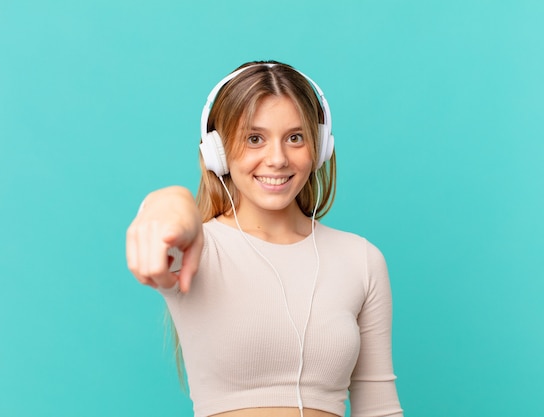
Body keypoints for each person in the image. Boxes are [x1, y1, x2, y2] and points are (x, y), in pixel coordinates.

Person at [126, 61, 403, 417]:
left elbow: (378, 408)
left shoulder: (360, 259)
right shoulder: (197, 250)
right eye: (254, 139)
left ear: (319, 149)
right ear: (218, 152)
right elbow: (167, 215)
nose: (277, 159)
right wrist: (168, 201)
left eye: (295, 137)